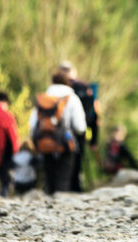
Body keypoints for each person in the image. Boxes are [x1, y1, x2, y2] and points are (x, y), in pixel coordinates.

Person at [29, 71, 86, 194]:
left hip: (44, 142)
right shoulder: (72, 98)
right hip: (65, 143)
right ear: (68, 83)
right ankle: (61, 205)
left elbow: (32, 124)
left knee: (49, 177)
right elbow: (80, 127)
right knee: (63, 179)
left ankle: (48, 204)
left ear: (52, 82)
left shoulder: (43, 98)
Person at [58, 61, 101, 192]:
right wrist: (94, 139)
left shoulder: (59, 89)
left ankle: (64, 188)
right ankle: (76, 188)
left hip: (62, 129)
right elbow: (95, 114)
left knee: (63, 159)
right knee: (77, 160)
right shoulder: (86, 87)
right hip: (81, 129)